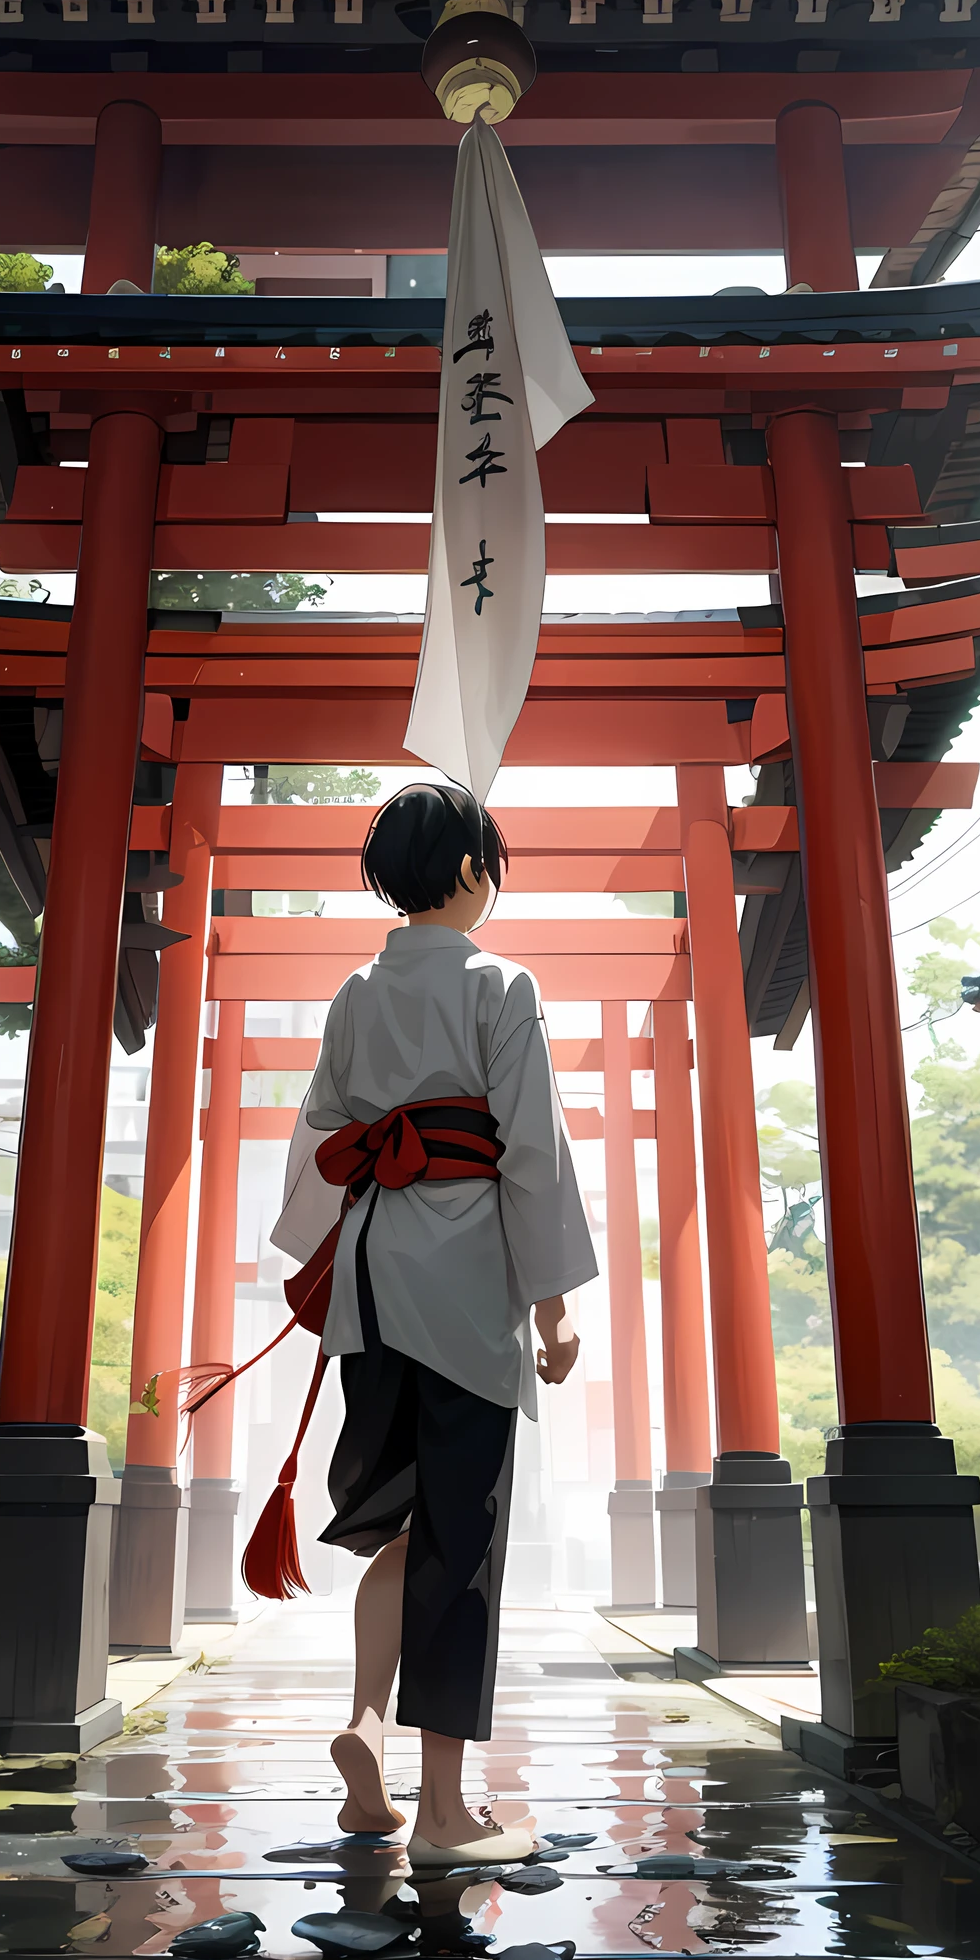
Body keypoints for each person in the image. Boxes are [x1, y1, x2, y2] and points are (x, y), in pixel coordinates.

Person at [272, 781, 597, 1864]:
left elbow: (323, 1125)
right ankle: (446, 1812)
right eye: (491, 861)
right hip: (462, 1281)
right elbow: (532, 1149)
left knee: (405, 1525)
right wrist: (552, 1308)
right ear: (469, 870)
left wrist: (321, 1248)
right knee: (465, 1540)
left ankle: (365, 1728)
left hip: (372, 1281)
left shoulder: (356, 992)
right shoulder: (502, 982)